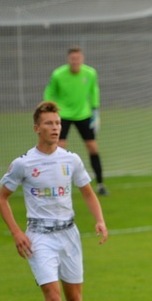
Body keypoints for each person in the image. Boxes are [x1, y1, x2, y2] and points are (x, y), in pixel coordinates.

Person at [0, 101, 108, 301]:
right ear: (37, 128)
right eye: (49, 123)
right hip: (38, 237)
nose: (55, 128)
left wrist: (100, 219)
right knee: (52, 295)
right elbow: (2, 198)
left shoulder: (71, 160)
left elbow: (87, 192)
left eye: (57, 124)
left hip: (68, 235)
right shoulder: (24, 163)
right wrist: (17, 232)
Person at [44, 46, 109, 196]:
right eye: (73, 59)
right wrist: (49, 108)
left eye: (78, 58)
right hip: (64, 114)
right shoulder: (58, 74)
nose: (75, 61)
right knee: (59, 147)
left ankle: (100, 184)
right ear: (68, 60)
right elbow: (49, 91)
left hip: (83, 114)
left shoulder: (90, 73)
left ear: (82, 59)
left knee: (92, 147)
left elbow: (94, 90)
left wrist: (95, 110)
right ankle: (58, 185)